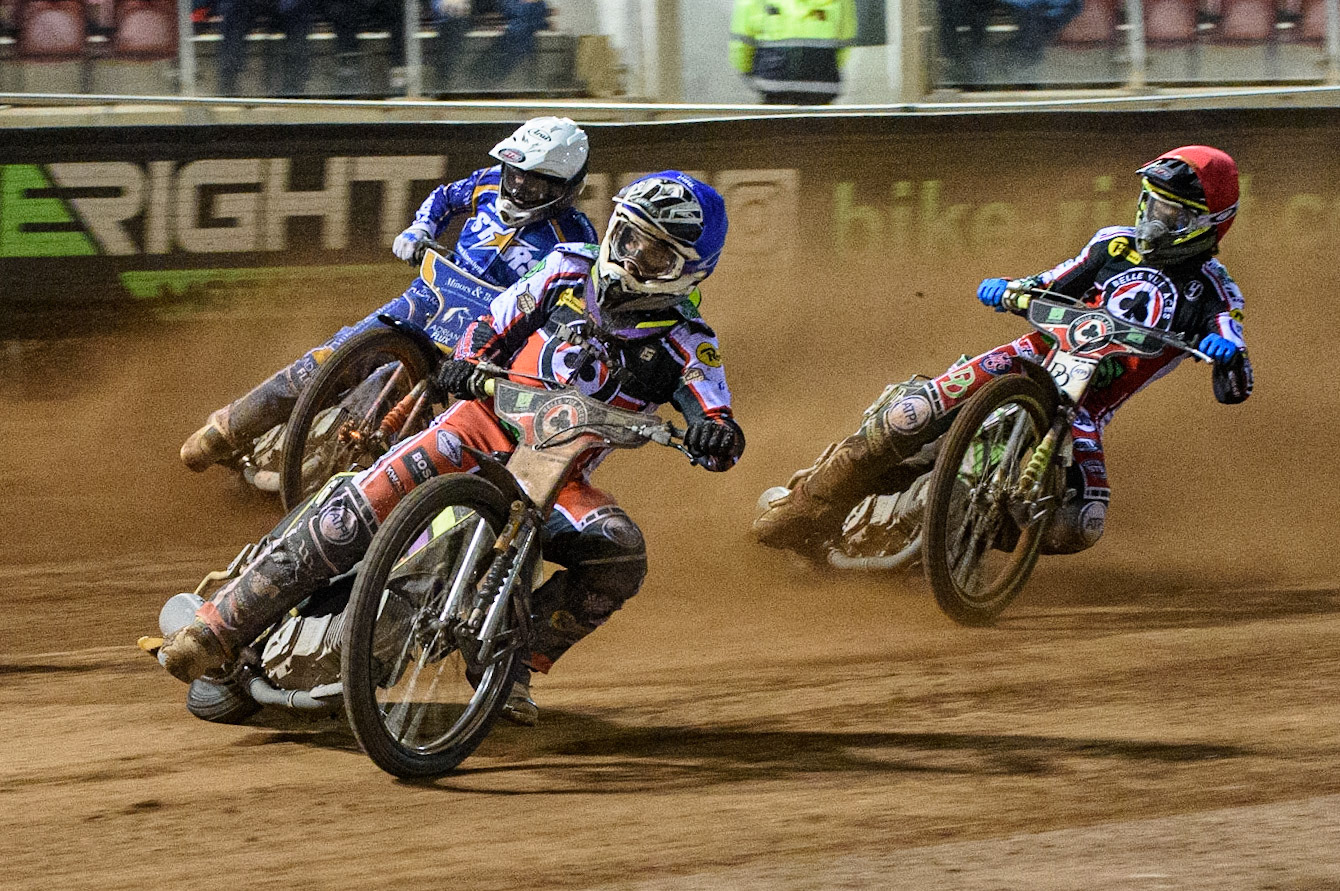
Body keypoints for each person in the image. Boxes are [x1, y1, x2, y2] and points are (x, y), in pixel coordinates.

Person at [160, 171, 746, 726]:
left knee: (621, 555)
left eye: (656, 254)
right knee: (352, 515)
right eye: (629, 236)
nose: (633, 257)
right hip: (477, 425)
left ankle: (513, 661)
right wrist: (468, 361)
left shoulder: (688, 342)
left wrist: (715, 435)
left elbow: (715, 415)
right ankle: (215, 629)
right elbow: (494, 321)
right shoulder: (566, 268)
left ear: (689, 272)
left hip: (557, 476)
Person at [753, 145, 1253, 557]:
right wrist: (1011, 288)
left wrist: (1226, 354)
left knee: (1080, 523)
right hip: (1026, 358)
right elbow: (1051, 283)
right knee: (910, 416)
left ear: (1209, 223)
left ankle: (965, 533)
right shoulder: (1112, 245)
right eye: (1152, 204)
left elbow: (1235, 376)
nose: (1154, 220)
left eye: (1172, 212)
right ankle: (803, 508)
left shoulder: (1215, 291)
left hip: (1084, 410)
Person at [180, 116, 598, 474]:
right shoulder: (488, 183)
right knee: (334, 355)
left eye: (535, 183)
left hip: (486, 332)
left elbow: (572, 300)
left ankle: (354, 470)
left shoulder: (575, 236)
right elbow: (443, 199)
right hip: (430, 297)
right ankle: (228, 428)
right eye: (515, 174)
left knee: (416, 407)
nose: (519, 188)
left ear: (565, 188)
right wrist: (420, 229)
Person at [729, 0, 858, 105]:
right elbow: (844, 40)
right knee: (820, 129)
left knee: (772, 128)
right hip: (822, 87)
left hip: (773, 87)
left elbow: (742, 40)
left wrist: (747, 72)